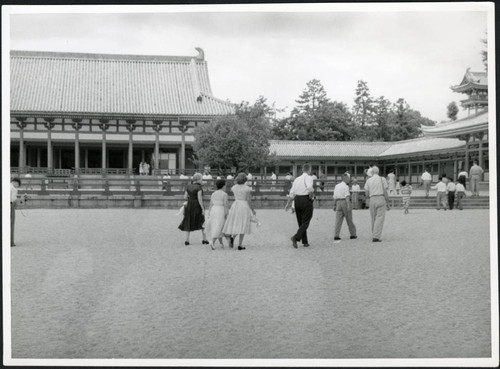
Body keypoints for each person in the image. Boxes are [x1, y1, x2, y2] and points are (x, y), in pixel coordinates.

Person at [222, 172, 256, 250]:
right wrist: (253, 210)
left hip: (236, 205)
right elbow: (248, 200)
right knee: (243, 223)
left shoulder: (234, 187)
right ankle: (240, 244)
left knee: (236, 222)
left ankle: (233, 237)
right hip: (244, 205)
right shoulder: (247, 188)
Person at [285, 164, 314, 248]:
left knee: (301, 221)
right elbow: (309, 188)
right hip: (305, 199)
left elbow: (292, 192)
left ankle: (305, 241)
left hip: (297, 200)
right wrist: (311, 196)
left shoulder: (297, 179)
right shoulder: (309, 177)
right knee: (306, 221)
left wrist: (288, 203)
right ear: (309, 170)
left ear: (302, 169)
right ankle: (296, 237)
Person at [178, 172, 208, 246]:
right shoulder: (199, 187)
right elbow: (199, 198)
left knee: (189, 220)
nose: (202, 180)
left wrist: (190, 198)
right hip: (197, 205)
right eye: (201, 179)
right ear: (198, 179)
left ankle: (187, 240)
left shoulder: (188, 186)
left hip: (190, 204)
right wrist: (203, 209)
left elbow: (185, 197)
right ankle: (204, 239)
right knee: (202, 221)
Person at [364, 166, 390, 242]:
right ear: (378, 172)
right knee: (380, 217)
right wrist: (388, 202)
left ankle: (374, 232)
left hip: (372, 199)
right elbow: (385, 192)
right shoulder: (382, 179)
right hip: (380, 198)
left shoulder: (368, 180)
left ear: (372, 172)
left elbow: (366, 193)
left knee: (373, 217)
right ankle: (376, 236)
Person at [205, 179, 229, 250]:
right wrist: (226, 213)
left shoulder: (213, 193)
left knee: (217, 225)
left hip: (214, 209)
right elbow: (225, 205)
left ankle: (221, 243)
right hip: (220, 210)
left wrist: (209, 212)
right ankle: (213, 241)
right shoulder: (224, 194)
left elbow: (210, 204)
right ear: (223, 186)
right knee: (220, 226)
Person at [333, 173, 357, 241]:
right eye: (348, 179)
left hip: (338, 202)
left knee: (338, 220)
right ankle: (353, 234)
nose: (349, 180)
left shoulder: (337, 186)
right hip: (344, 202)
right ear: (345, 179)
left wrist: (334, 205)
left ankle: (336, 235)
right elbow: (347, 196)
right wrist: (348, 205)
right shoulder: (346, 187)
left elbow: (334, 196)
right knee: (349, 219)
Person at [11, 177, 21, 247]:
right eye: (18, 185)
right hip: (10, 205)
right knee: (11, 224)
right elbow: (13, 199)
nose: (17, 186)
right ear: (16, 182)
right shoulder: (14, 189)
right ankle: (11, 242)